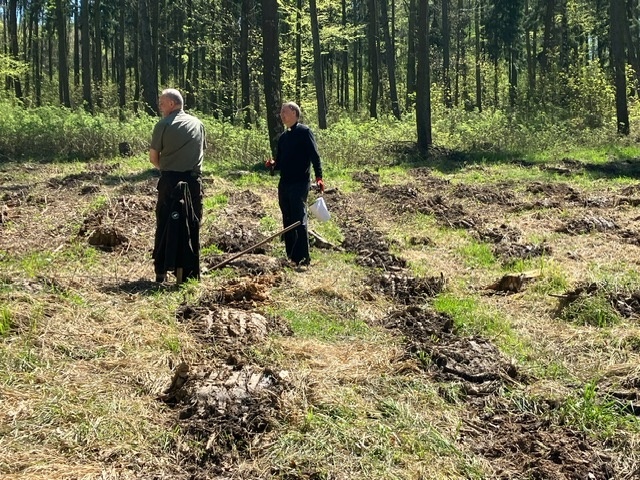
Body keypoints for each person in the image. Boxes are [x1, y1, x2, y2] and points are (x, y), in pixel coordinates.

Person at [149, 88, 206, 283]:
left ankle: (161, 270)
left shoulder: (163, 125)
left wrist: (166, 169)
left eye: (162, 103)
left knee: (165, 222)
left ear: (172, 104)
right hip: (192, 181)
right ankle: (190, 271)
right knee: (192, 222)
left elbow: (153, 158)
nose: (160, 107)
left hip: (169, 181)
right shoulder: (198, 124)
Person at [265, 101, 324, 268]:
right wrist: (273, 164)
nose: (281, 115)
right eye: (281, 112)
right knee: (287, 217)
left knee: (299, 219)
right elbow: (280, 161)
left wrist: (319, 177)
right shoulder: (283, 137)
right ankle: (290, 256)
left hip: (300, 182)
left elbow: (315, 156)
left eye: (285, 112)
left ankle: (303, 258)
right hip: (284, 183)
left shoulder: (305, 132)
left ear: (294, 113)